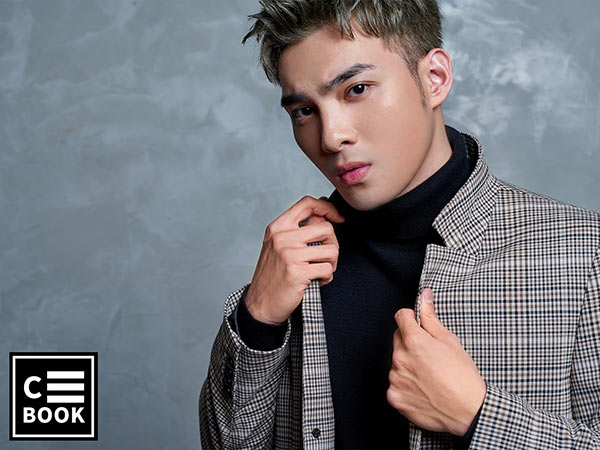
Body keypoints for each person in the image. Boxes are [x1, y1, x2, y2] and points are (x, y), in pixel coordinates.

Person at [199, 1, 600, 448]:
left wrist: (478, 416)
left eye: (356, 89)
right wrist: (257, 320)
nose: (331, 137)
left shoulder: (585, 254)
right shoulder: (296, 265)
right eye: (304, 111)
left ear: (434, 78)